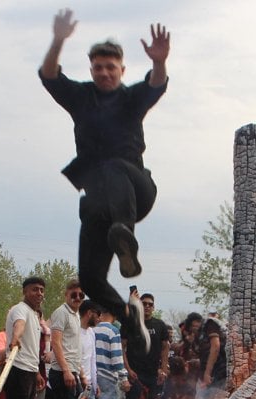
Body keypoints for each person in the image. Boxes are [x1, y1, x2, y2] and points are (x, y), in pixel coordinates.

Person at [39, 9, 171, 351]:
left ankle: (123, 232)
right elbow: (50, 76)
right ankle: (129, 319)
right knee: (91, 279)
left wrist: (159, 61)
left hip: (136, 190)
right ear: (92, 69)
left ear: (121, 71)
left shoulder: (129, 98)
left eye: (110, 67)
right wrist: (58, 40)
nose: (104, 73)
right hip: (98, 202)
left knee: (111, 166)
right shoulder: (81, 97)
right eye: (98, 67)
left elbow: (155, 84)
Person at [45, 280, 85, 399]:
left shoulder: (75, 315)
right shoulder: (61, 312)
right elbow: (56, 343)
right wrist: (66, 371)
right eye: (73, 294)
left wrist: (80, 372)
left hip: (73, 370)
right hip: (62, 372)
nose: (77, 298)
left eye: (80, 295)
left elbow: (73, 347)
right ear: (66, 295)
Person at [123, 293, 171, 399]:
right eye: (144, 304)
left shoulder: (160, 325)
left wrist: (164, 368)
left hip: (153, 374)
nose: (147, 306)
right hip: (135, 374)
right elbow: (121, 348)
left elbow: (165, 348)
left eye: (150, 304)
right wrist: (127, 369)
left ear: (153, 307)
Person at [93, 305, 126, 399]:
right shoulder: (113, 331)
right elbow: (117, 358)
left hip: (93, 375)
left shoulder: (93, 330)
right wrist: (124, 378)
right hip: (107, 376)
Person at [196, 313, 228, 399]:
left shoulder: (210, 323)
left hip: (220, 372)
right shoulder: (201, 333)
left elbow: (215, 347)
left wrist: (207, 373)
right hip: (214, 375)